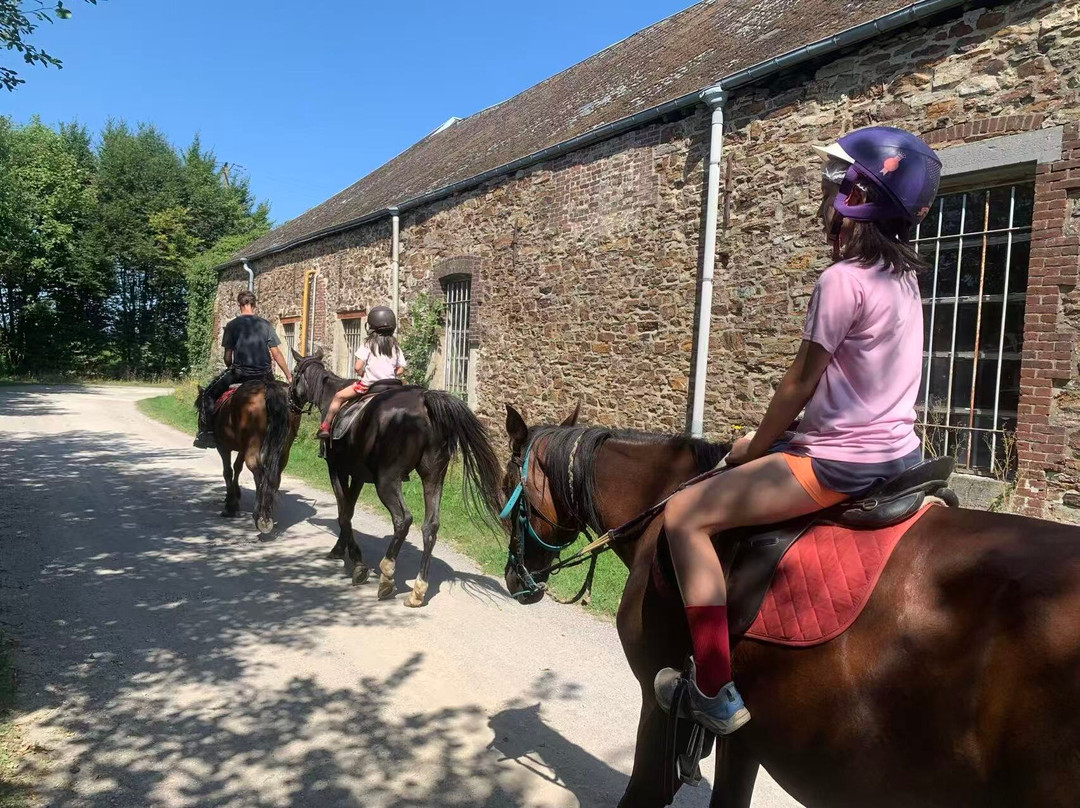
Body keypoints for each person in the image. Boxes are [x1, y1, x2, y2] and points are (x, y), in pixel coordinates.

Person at [654, 126, 942, 735]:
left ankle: (711, 685)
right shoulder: (906, 279)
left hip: (841, 463)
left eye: (833, 185)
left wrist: (752, 449)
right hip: (900, 455)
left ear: (855, 197)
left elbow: (797, 384)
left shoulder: (842, 280)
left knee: (684, 515)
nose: (824, 197)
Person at [193, 290, 292, 449]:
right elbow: (276, 353)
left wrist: (229, 367)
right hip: (265, 376)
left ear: (239, 305)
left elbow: (227, 356)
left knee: (208, 394)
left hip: (240, 374)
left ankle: (207, 433)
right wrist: (289, 375)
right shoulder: (265, 324)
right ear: (254, 305)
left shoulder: (232, 326)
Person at [316, 305, 406, 439]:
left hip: (369, 386)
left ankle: (325, 427)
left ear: (372, 326)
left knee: (338, 397)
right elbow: (401, 368)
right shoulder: (395, 345)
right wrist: (390, 373)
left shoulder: (368, 344)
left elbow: (358, 367)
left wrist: (364, 374)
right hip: (392, 386)